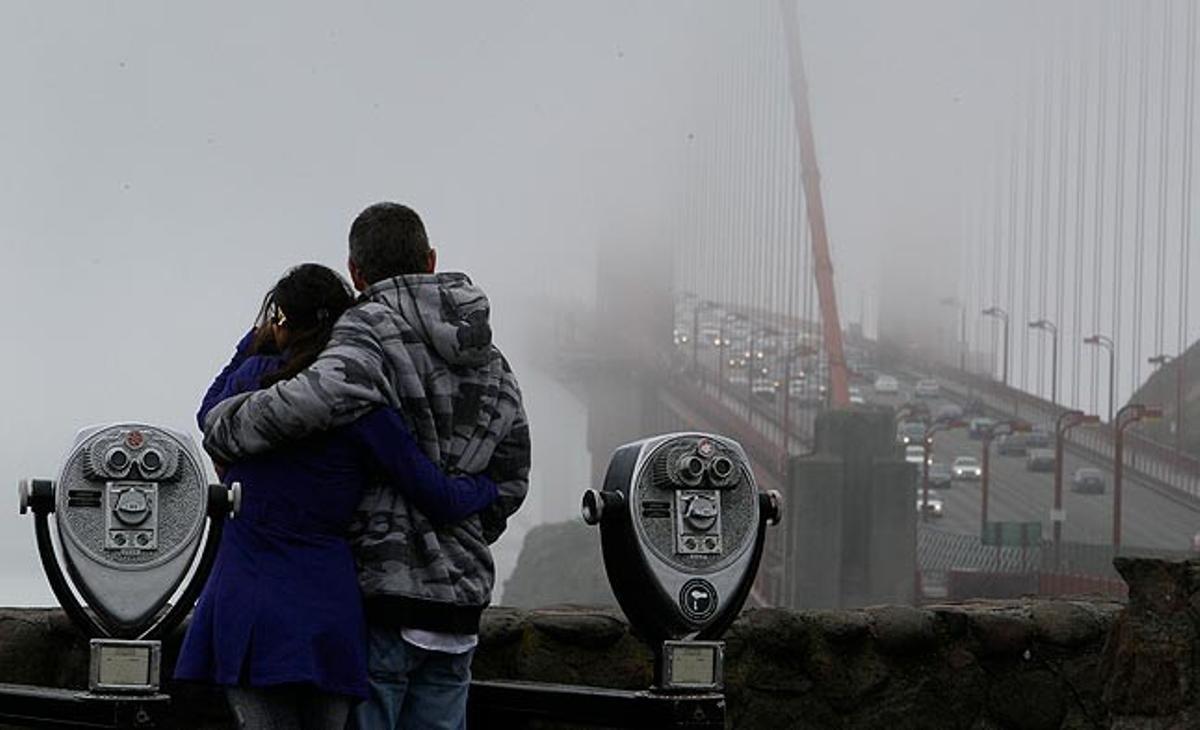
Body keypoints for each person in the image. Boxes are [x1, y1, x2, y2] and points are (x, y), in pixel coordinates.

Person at [202, 203, 531, 730]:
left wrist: (223, 427)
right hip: (462, 603)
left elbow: (311, 400)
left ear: (356, 272)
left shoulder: (364, 332)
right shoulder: (490, 356)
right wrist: (465, 525)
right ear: (430, 259)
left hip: (386, 596)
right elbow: (511, 477)